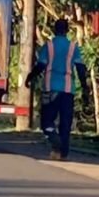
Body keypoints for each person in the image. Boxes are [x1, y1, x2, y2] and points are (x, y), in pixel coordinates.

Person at [25, 19, 89, 160]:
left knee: (46, 121)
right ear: (67, 31)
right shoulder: (73, 47)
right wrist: (85, 87)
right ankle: (63, 153)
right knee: (65, 123)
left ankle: (54, 138)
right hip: (68, 90)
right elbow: (80, 68)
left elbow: (41, 65)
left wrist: (30, 77)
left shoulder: (48, 46)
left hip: (50, 88)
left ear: (54, 30)